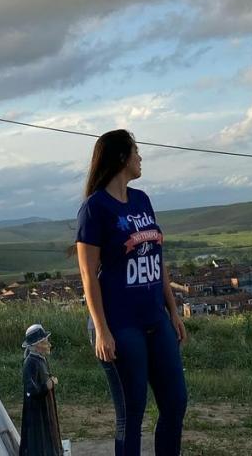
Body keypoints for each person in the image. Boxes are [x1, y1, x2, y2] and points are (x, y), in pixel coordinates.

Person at [76, 129, 188, 456]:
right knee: (132, 413)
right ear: (122, 158)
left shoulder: (142, 200)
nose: (141, 158)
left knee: (176, 402)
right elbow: (87, 274)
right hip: (120, 325)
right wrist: (101, 330)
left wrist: (173, 311)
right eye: (136, 151)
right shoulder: (95, 209)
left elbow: (157, 257)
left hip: (156, 318)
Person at [19, 324, 63, 456]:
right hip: (37, 410)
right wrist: (47, 386)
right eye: (45, 342)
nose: (48, 345)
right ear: (37, 345)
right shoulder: (30, 363)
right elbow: (30, 389)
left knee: (48, 431)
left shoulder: (41, 360)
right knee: (39, 435)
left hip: (45, 407)